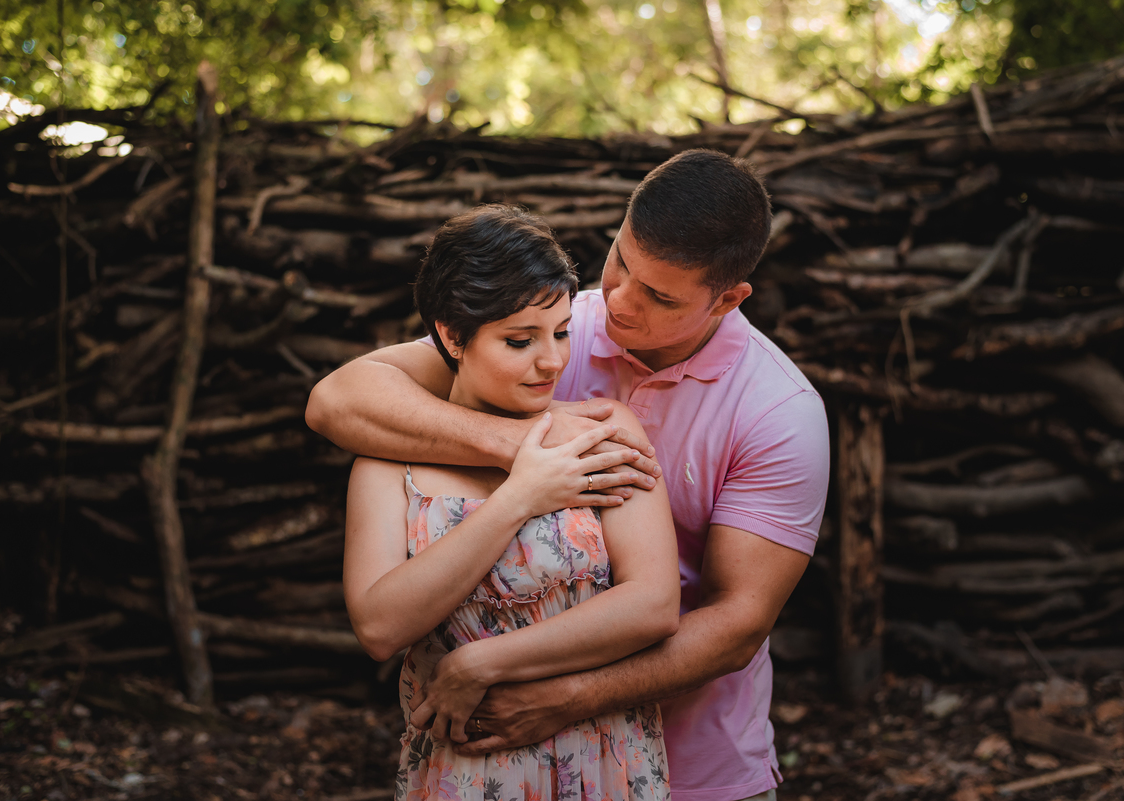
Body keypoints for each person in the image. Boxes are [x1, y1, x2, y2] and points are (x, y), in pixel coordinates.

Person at [310, 149, 830, 801]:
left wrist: (559, 696)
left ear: (728, 298)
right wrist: (523, 449)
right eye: (620, 260)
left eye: (658, 295)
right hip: (483, 756)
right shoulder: (554, 325)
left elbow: (736, 624)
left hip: (697, 767)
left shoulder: (781, 413)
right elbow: (340, 398)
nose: (618, 298)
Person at [342, 205, 681, 800]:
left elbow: (652, 605)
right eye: (520, 340)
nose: (551, 361)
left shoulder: (600, 430)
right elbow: (378, 626)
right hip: (465, 771)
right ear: (451, 335)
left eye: (561, 332)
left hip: (604, 758)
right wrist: (519, 497)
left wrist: (482, 664)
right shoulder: (385, 460)